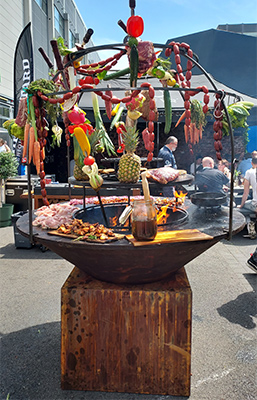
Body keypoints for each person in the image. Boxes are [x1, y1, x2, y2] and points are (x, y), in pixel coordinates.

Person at [238, 156, 257, 239]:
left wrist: (241, 205)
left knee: (245, 205)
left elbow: (246, 193)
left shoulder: (249, 172)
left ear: (252, 163)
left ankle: (250, 224)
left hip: (255, 204)